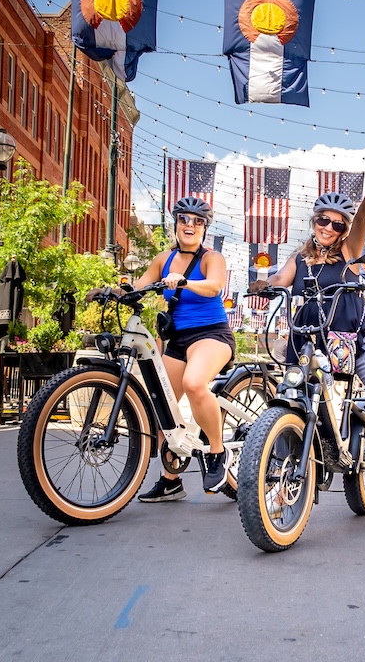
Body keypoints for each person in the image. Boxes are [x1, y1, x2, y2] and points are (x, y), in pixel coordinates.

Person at [249, 139, 365, 533]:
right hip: (308, 337)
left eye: (337, 223)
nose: (330, 227)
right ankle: (282, 478)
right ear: (314, 223)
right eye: (323, 220)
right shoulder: (298, 258)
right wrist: (264, 284)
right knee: (290, 401)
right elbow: (279, 278)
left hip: (355, 334)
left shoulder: (351, 250)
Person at [125, 196, 234, 501]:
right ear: (176, 224)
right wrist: (113, 291)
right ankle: (171, 480)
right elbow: (141, 285)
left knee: (195, 383)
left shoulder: (213, 258)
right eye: (184, 219)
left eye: (197, 221)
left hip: (212, 335)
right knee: (162, 404)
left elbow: (214, 287)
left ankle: (216, 451)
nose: (190, 225)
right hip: (178, 340)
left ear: (204, 228)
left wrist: (184, 282)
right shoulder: (164, 259)